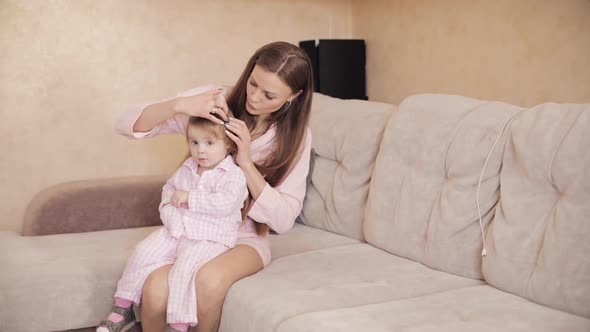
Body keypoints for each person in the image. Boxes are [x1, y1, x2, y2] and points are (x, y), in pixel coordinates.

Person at [114, 41, 313, 332]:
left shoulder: (295, 138)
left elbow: (283, 220)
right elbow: (125, 125)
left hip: (242, 238)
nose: (255, 98)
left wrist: (246, 162)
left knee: (206, 280)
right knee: (155, 290)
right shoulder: (214, 104)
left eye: (269, 95)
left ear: (294, 96)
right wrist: (178, 106)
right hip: (192, 230)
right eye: (253, 83)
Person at [98, 115, 249, 332]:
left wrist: (189, 198)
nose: (200, 150)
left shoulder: (233, 175)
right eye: (194, 142)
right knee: (143, 251)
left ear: (227, 143)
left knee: (184, 268)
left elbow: (225, 203)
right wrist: (171, 217)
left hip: (210, 238)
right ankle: (123, 307)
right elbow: (168, 193)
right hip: (178, 229)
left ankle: (179, 324)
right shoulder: (188, 168)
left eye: (209, 143)